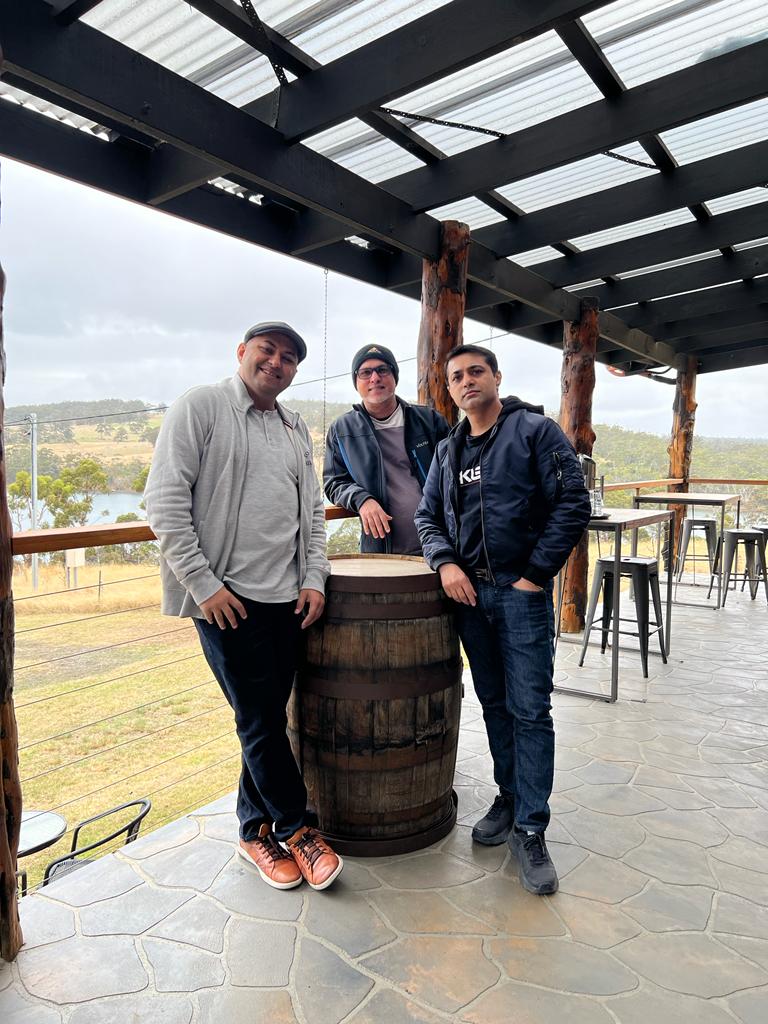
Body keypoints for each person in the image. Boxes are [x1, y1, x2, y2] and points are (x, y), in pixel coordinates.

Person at [145, 321, 343, 892]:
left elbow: (312, 515)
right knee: (259, 719)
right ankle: (297, 829)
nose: (277, 362)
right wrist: (203, 585)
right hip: (227, 601)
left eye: (289, 357)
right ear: (242, 353)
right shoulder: (202, 406)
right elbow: (163, 501)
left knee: (265, 720)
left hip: (288, 600)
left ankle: (253, 831)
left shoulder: (294, 427)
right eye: (267, 350)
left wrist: (314, 577)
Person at [415, 344, 590, 895]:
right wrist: (445, 563)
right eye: (456, 377)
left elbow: (573, 503)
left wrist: (534, 576)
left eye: (476, 372)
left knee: (530, 710)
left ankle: (532, 829)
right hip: (470, 598)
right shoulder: (448, 450)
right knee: (494, 703)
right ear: (449, 389)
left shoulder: (535, 432)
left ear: (496, 377)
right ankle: (509, 797)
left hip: (520, 594)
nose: (466, 381)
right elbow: (426, 516)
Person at [324, 344, 450, 554]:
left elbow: (455, 472)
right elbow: (334, 482)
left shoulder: (429, 420)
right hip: (381, 552)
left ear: (394, 377)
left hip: (440, 545)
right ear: (356, 382)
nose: (375, 378)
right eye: (365, 372)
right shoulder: (342, 430)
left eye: (382, 370)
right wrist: (362, 499)